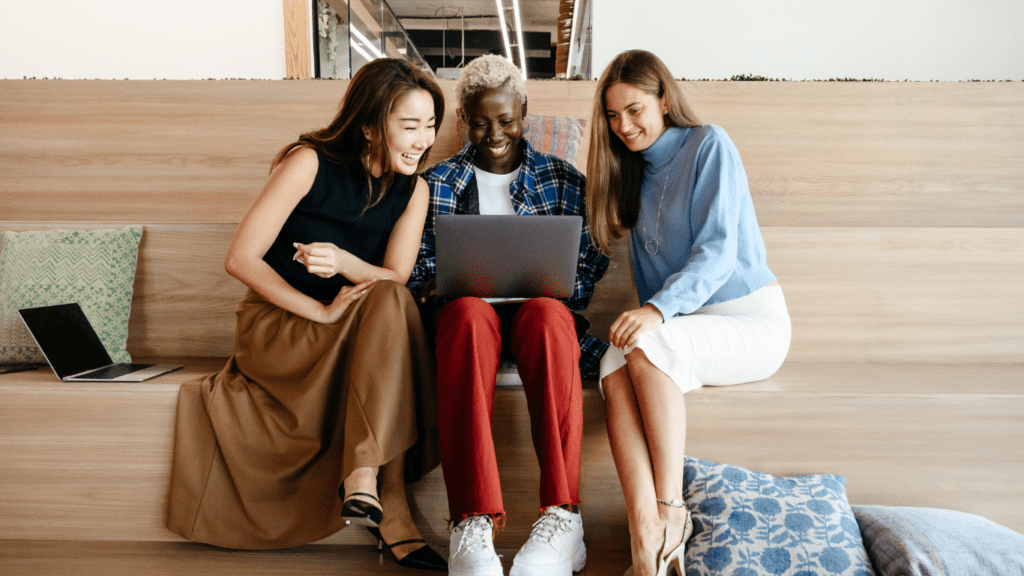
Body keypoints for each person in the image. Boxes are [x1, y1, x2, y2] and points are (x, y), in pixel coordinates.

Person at [165, 58, 448, 571]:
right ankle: (390, 504)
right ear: (368, 125)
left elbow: (395, 276)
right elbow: (240, 258)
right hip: (281, 322)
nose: (422, 141)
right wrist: (318, 311)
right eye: (409, 126)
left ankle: (366, 477)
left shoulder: (416, 190)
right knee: (390, 309)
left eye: (430, 126)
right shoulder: (308, 162)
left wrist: (342, 264)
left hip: (356, 323)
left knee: (392, 300)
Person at [586, 50, 792, 576]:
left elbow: (718, 252)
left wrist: (656, 312)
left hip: (751, 320)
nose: (624, 126)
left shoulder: (709, 144)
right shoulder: (631, 174)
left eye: (634, 110)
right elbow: (650, 280)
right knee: (613, 362)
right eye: (612, 116)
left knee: (650, 343)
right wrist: (653, 316)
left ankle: (671, 511)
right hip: (690, 325)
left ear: (663, 99)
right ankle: (645, 535)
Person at [407, 54, 609, 576]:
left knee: (547, 315)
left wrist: (561, 282)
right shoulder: (437, 184)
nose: (493, 132)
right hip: (472, 323)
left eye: (505, 119)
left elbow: (587, 264)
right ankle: (470, 523)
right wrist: (439, 281)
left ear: (524, 111)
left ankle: (563, 519)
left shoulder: (563, 179)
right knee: (468, 315)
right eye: (479, 121)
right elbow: (417, 267)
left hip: (539, 321)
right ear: (463, 121)